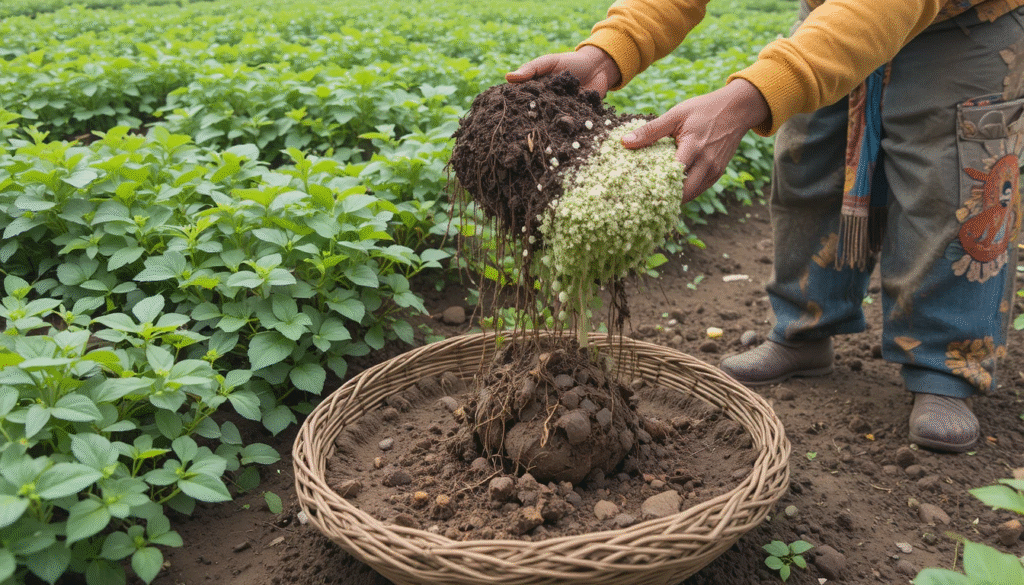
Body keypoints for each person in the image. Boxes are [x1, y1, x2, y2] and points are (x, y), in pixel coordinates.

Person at [507, 0, 1024, 452]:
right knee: (808, 166)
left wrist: (747, 99)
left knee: (951, 191)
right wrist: (608, 51)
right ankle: (805, 330)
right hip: (832, 14)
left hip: (963, 26)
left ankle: (943, 366)